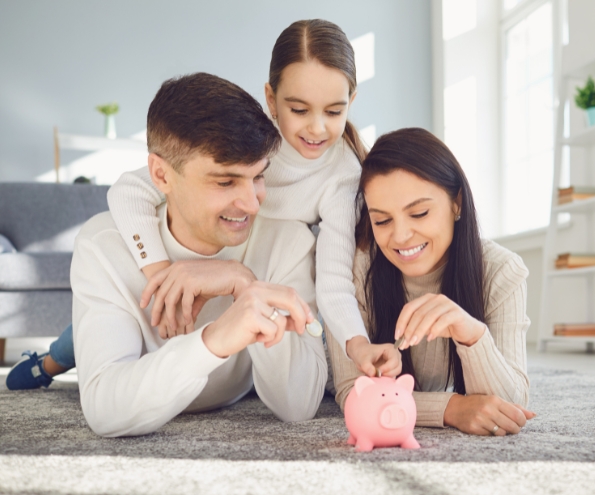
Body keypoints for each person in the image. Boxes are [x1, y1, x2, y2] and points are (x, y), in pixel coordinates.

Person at [6, 18, 400, 391]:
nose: (316, 128)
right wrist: (164, 275)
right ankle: (51, 363)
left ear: (352, 99)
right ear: (271, 98)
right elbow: (128, 192)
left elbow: (333, 281)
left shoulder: (343, 176)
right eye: (299, 110)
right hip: (194, 254)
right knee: (113, 322)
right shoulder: (249, 142)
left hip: (255, 264)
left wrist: (357, 345)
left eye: (334, 111)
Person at [68, 72, 328, 437]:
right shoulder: (103, 246)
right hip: (103, 313)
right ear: (160, 175)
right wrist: (214, 340)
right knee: (66, 349)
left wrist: (247, 286)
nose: (252, 203)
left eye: (258, 177)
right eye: (225, 182)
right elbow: (104, 410)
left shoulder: (288, 240)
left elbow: (298, 405)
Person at [327, 128, 536, 436]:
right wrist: (451, 408)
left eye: (419, 213)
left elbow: (510, 405)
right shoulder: (357, 269)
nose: (399, 236)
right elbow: (352, 393)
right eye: (382, 221)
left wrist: (471, 334)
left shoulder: (502, 270)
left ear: (457, 204)